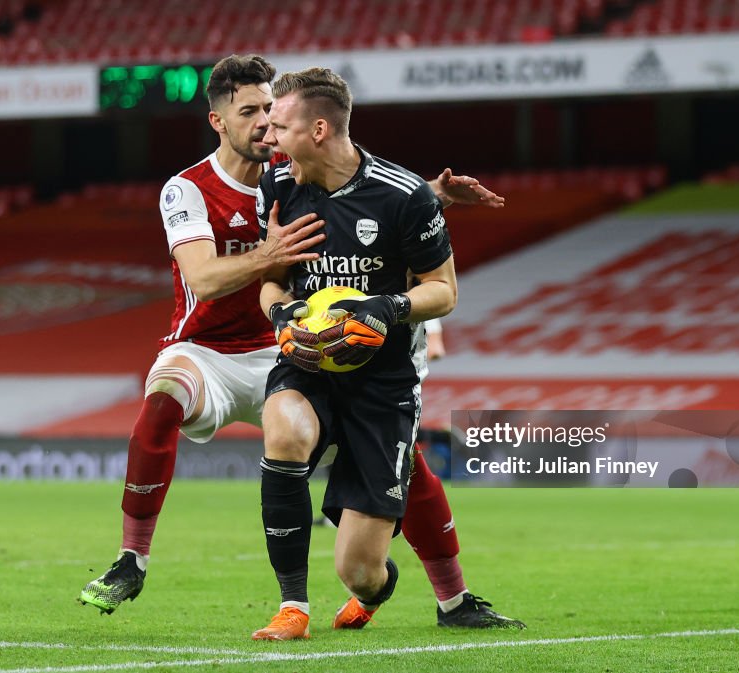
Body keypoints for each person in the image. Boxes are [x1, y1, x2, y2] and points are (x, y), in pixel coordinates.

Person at [79, 55, 520, 631]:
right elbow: (208, 278)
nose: (265, 124)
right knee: (164, 398)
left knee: (399, 467)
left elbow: (368, 197)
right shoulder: (193, 189)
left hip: (295, 345)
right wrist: (275, 262)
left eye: (271, 110)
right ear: (219, 122)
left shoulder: (293, 175)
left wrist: (428, 195)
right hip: (213, 350)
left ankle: (450, 598)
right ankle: (136, 561)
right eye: (251, 113)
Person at [251, 67, 524, 641]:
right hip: (308, 361)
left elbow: (444, 291)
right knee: (284, 430)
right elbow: (270, 280)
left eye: (278, 125)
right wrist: (279, 313)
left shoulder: (405, 197)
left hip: (385, 382)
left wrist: (384, 308)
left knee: (358, 570)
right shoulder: (277, 187)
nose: (267, 138)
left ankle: (378, 584)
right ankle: (292, 607)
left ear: (319, 129)